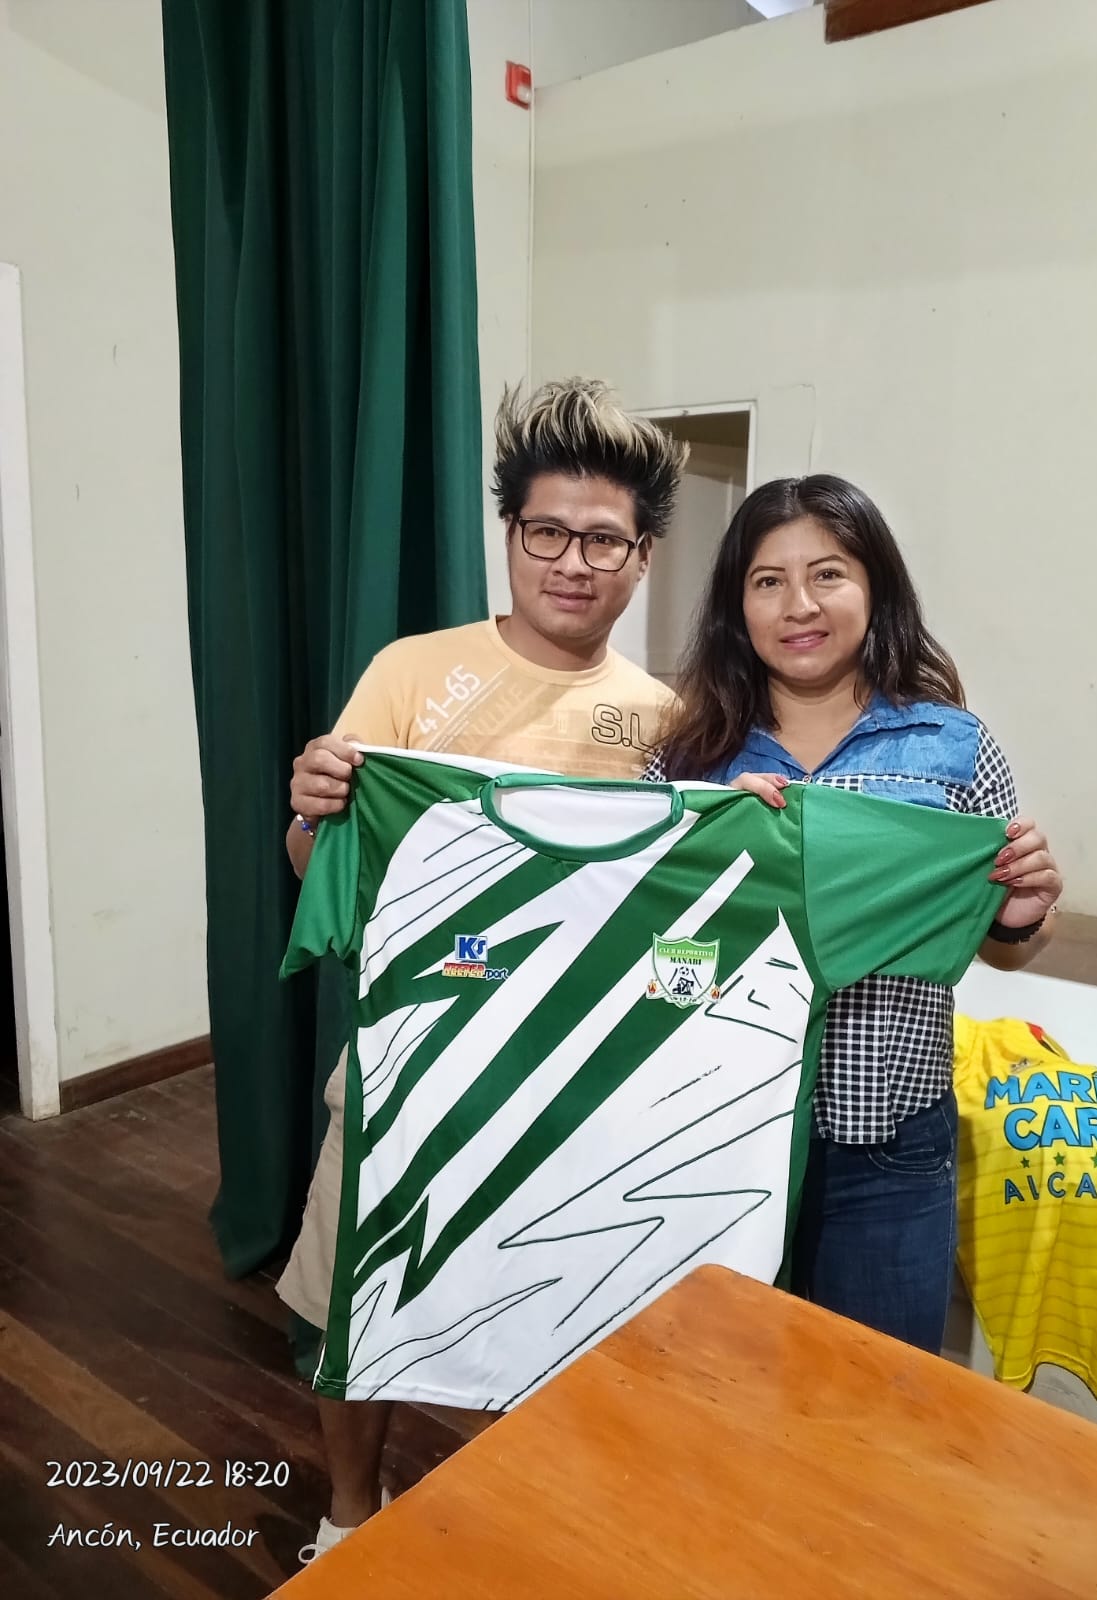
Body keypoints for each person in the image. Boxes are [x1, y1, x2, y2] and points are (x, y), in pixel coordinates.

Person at [279, 378, 687, 1562]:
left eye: (603, 540)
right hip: (409, 1052)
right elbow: (318, 861)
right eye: (546, 532)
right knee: (357, 1298)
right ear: (510, 533)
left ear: (643, 557)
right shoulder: (415, 672)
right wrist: (310, 810)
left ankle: (528, 1519)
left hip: (570, 1077)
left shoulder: (664, 719)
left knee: (550, 1310)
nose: (573, 562)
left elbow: (671, 898)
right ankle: (347, 1515)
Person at [653, 473, 1064, 1355]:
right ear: (737, 606)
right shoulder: (688, 761)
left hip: (892, 1150)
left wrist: (1020, 915)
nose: (799, 605)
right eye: (768, 581)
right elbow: (649, 956)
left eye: (828, 574)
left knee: (876, 1402)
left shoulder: (952, 746)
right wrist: (710, 846)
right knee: (714, 1389)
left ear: (876, 587)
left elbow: (1002, 947)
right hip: (713, 1136)